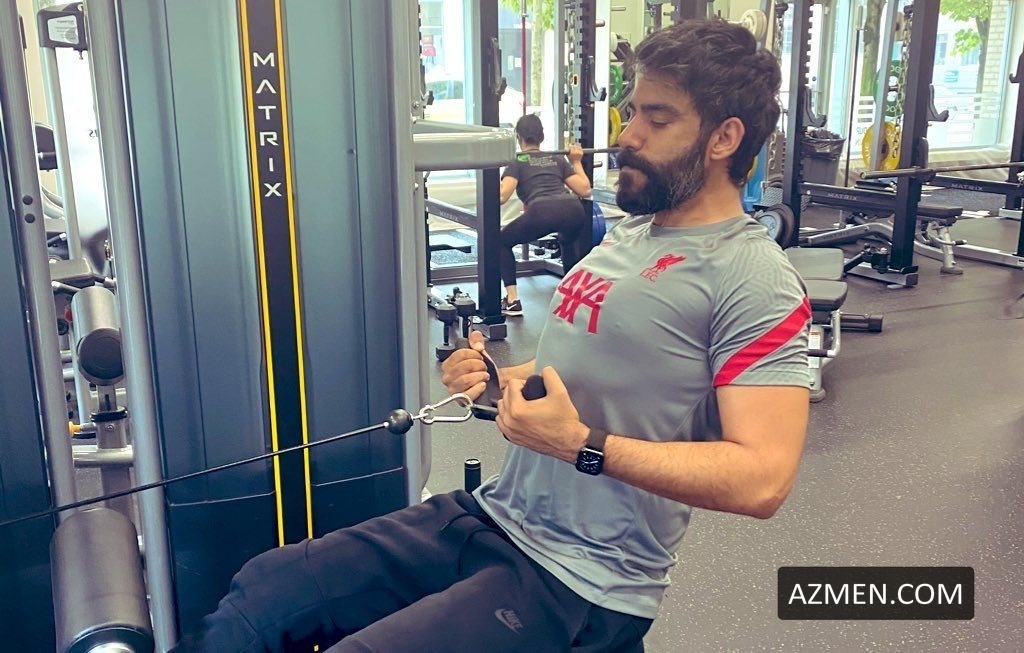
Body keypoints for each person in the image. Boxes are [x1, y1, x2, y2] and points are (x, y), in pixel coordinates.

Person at [173, 18, 810, 653]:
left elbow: (762, 478)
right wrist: (495, 380)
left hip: (582, 580)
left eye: (658, 119)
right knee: (264, 591)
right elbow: (587, 368)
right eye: (633, 111)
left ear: (725, 137)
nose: (628, 135)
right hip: (495, 515)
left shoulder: (751, 275)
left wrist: (580, 445)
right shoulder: (632, 234)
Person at [497, 114, 592, 316]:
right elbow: (584, 190)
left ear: (518, 137)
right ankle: (573, 298)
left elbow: (502, 196)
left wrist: (492, 169)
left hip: (543, 211)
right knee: (567, 242)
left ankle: (512, 301)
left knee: (501, 242)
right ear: (541, 137)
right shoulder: (556, 158)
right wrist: (576, 161)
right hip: (573, 210)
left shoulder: (518, 160)